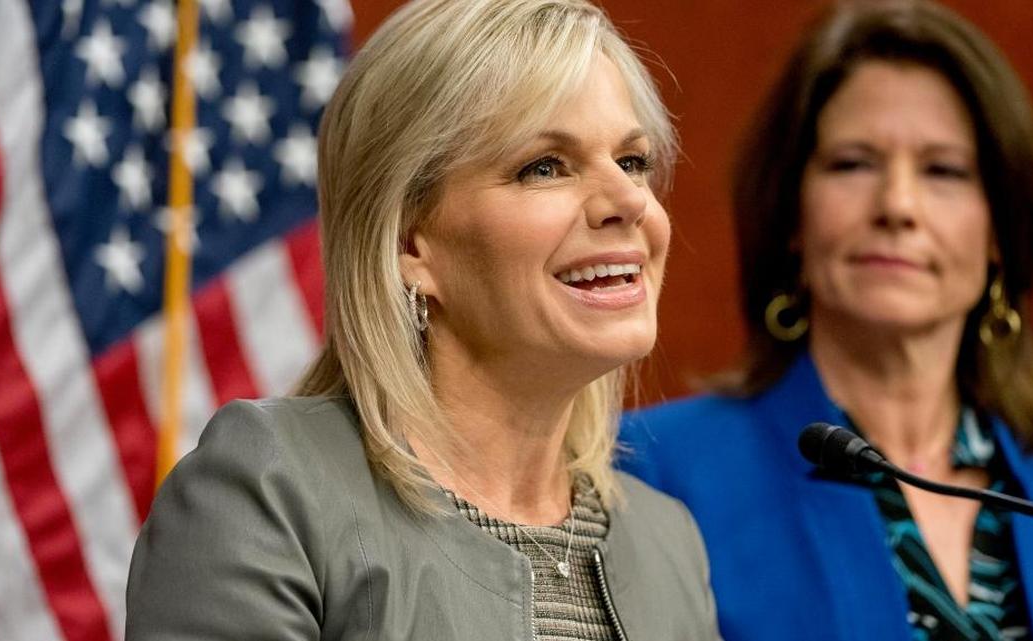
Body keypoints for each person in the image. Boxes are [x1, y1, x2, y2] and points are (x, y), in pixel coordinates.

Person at [125, 1, 720, 639]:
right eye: (544, 167)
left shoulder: (669, 543)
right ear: (409, 243)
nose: (630, 200)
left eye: (632, 161)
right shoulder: (267, 495)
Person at [620, 1, 1033, 640]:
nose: (897, 205)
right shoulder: (650, 474)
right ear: (792, 213)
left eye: (944, 171)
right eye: (853, 163)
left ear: (999, 230)